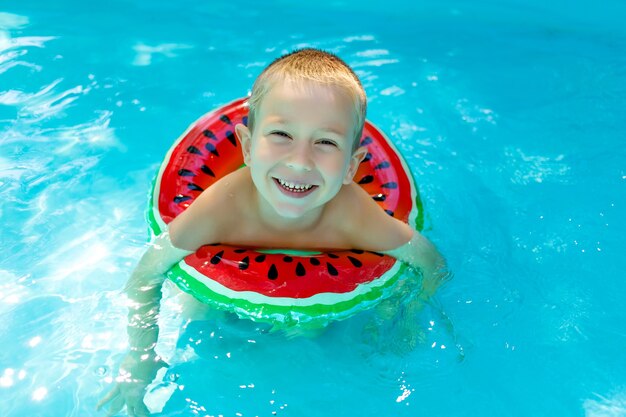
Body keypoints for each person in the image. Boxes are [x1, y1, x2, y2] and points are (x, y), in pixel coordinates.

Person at [97, 48, 449, 417]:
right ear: (247, 146)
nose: (300, 161)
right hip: (217, 293)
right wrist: (141, 355)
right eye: (281, 134)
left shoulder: (354, 215)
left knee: (311, 330)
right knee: (197, 312)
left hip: (314, 315)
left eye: (325, 142)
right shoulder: (223, 207)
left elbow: (431, 264)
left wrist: (405, 314)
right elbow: (146, 274)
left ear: (352, 166)